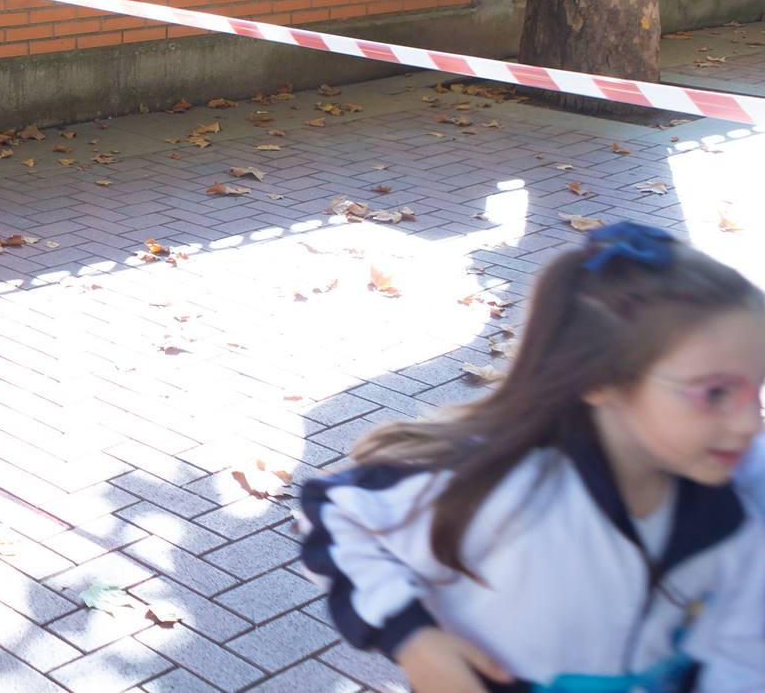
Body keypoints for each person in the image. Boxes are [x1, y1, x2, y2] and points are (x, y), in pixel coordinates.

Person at [301, 223, 765, 692]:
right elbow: (336, 515)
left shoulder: (746, 494)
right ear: (601, 377)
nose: (751, 423)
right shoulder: (502, 487)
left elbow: (742, 649)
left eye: (758, 391)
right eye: (718, 393)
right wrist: (413, 638)